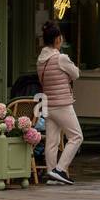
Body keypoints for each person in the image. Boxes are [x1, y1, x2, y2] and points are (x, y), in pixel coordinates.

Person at [37, 21, 82, 186]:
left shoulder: (41, 60)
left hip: (48, 104)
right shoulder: (61, 58)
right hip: (62, 104)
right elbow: (76, 74)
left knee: (52, 141)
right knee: (76, 136)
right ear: (57, 39)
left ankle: (51, 173)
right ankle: (60, 169)